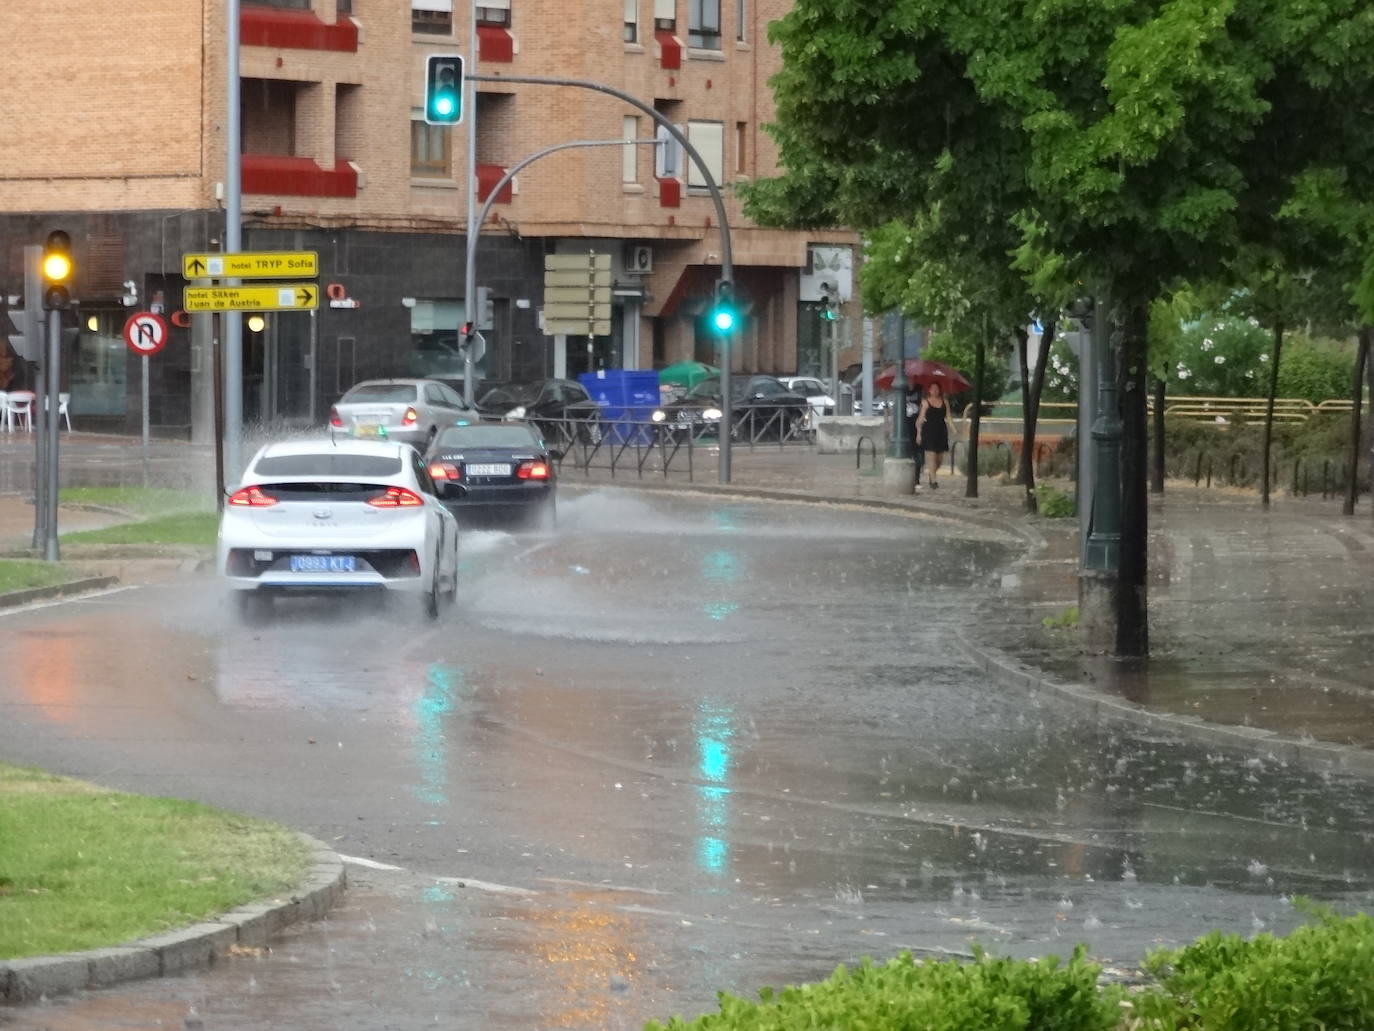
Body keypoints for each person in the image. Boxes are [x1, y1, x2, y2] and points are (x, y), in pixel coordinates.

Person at [914, 381, 951, 488]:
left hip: (941, 431)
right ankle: (934, 481)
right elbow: (920, 419)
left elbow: (948, 416)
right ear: (929, 390)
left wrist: (954, 429)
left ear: (939, 390)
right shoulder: (925, 402)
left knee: (939, 459)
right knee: (932, 457)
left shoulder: (945, 401)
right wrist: (919, 433)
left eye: (937, 388)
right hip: (929, 431)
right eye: (932, 388)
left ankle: (932, 474)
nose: (935, 391)